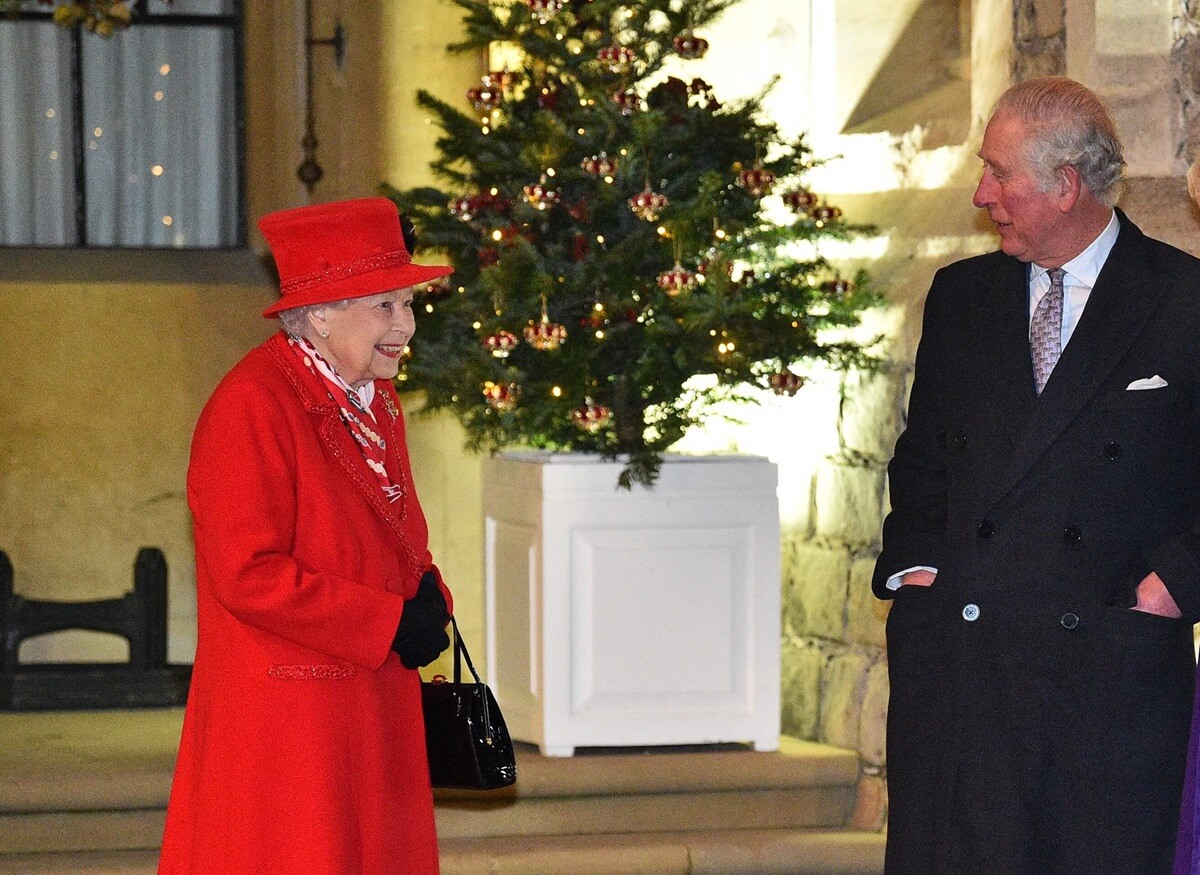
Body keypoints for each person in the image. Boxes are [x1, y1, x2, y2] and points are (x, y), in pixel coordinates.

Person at [873, 76, 1200, 874]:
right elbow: (923, 463)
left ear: (1065, 185)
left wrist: (1172, 586)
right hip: (962, 672)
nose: (983, 194)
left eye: (999, 173)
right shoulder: (962, 296)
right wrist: (919, 571)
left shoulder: (1186, 300)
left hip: (1107, 677)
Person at [158, 197, 456, 874]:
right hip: (291, 721)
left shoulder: (376, 397)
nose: (405, 326)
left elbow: (394, 527)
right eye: (385, 306)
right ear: (320, 312)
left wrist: (429, 590)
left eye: (409, 305)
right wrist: (386, 620)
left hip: (370, 701)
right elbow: (248, 572)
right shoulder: (252, 404)